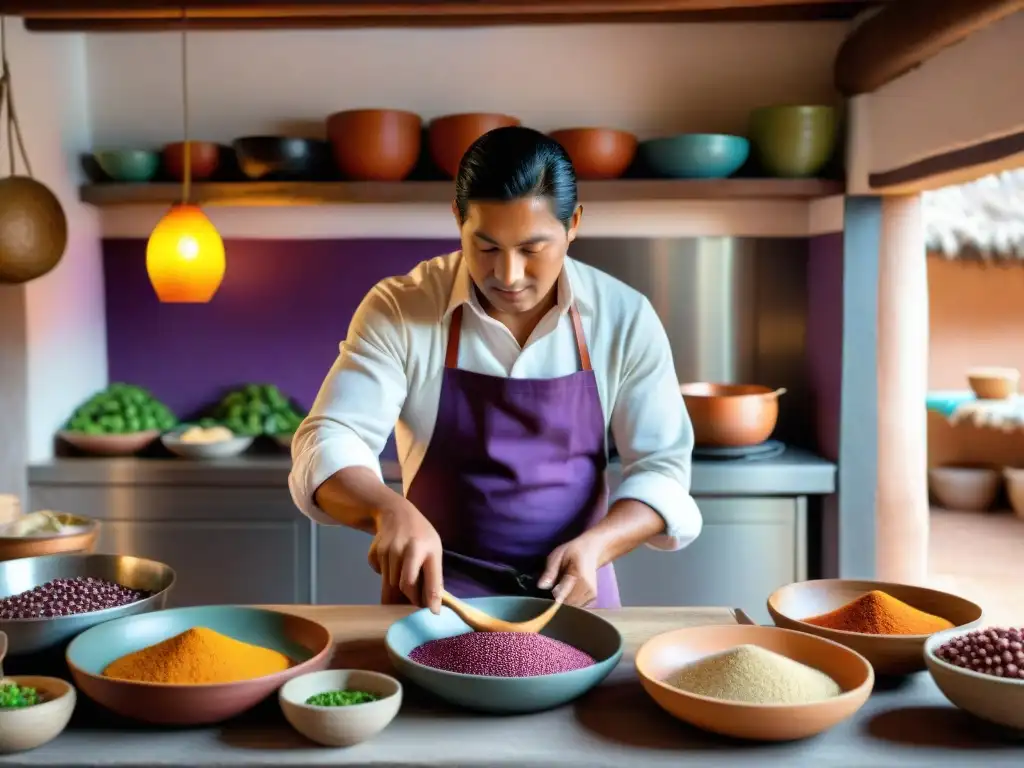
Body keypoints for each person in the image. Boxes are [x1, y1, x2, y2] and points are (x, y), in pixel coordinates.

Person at [289, 125, 701, 613]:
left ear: (574, 225)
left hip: (576, 597)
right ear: (457, 219)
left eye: (532, 249)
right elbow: (330, 437)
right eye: (485, 247)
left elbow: (663, 469)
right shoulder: (401, 308)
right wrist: (387, 509)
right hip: (437, 600)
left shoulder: (624, 317)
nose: (508, 275)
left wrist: (600, 545)